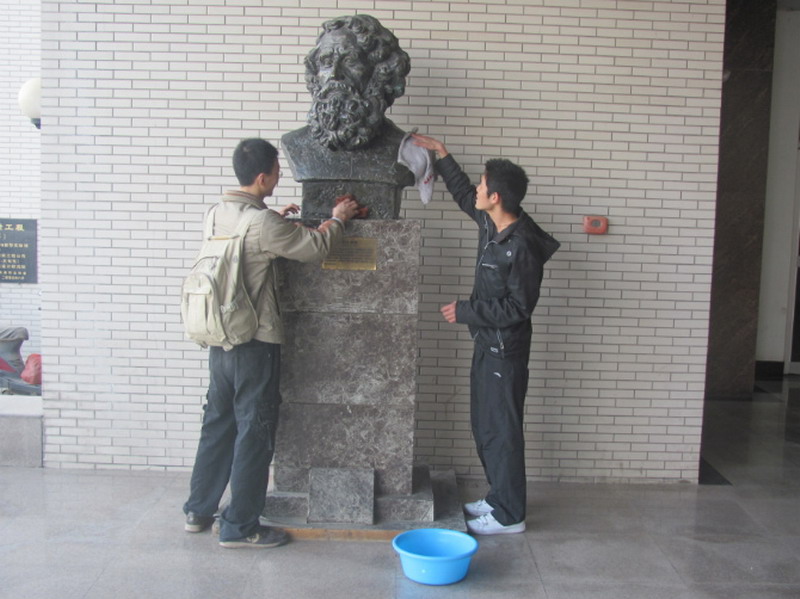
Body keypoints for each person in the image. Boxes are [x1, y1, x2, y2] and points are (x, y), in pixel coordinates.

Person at [183, 138, 358, 548]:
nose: (280, 178)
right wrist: (338, 219)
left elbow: (246, 245)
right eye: (277, 172)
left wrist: (274, 220)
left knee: (218, 423)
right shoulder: (261, 224)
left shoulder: (218, 213)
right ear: (262, 177)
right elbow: (315, 247)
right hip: (255, 343)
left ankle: (199, 509)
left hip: (220, 340)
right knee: (255, 431)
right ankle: (240, 526)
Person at [412, 133, 560, 536]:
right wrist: (442, 155)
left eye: (482, 185)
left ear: (495, 197)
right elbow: (463, 194)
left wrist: (466, 311)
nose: (476, 189)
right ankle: (498, 498)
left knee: (502, 433)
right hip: (486, 345)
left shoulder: (521, 246)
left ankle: (510, 515)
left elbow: (518, 309)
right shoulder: (490, 222)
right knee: (485, 427)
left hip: (505, 353)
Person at [281, 14, 414, 220]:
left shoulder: (403, 149)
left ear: (379, 72)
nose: (335, 74)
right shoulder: (296, 144)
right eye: (326, 62)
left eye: (350, 60)